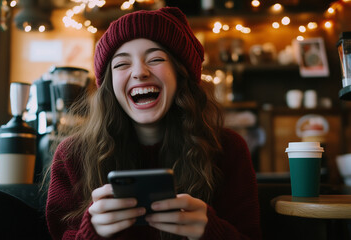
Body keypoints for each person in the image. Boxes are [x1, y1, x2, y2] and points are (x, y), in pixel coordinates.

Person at [46, 6, 261, 240]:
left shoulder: (228, 149)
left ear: (181, 74)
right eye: (121, 64)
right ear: (109, 85)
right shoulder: (72, 156)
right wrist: (92, 233)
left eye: (156, 59)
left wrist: (211, 231)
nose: (139, 72)